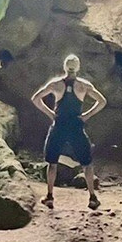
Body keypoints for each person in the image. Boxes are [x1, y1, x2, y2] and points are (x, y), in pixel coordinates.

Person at [31, 54, 107, 210]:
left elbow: (36, 98)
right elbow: (102, 101)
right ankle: (92, 197)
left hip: (59, 125)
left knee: (52, 162)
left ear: (65, 67)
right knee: (86, 163)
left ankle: (50, 196)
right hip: (76, 126)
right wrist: (87, 115)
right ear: (78, 67)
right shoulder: (84, 85)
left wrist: (50, 114)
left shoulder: (56, 84)